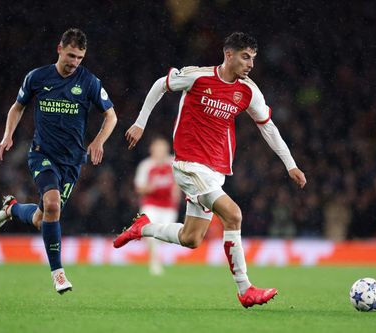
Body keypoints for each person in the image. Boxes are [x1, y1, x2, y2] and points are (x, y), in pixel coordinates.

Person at [114, 32, 306, 308]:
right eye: (245, 56)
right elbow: (160, 85)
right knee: (233, 214)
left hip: (216, 170)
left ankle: (143, 228)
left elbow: (268, 127)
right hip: (189, 165)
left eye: (253, 57)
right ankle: (245, 289)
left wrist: (291, 165)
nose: (251, 63)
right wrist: (140, 123)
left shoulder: (249, 91)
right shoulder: (198, 77)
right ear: (229, 55)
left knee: (191, 238)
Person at [0, 28, 117, 294]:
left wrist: (97, 142)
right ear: (59, 49)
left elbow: (112, 116)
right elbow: (18, 107)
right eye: (71, 55)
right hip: (42, 154)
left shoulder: (89, 82)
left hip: (71, 163)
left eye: (80, 58)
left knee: (42, 217)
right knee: (52, 205)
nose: (74, 62)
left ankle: (12, 208)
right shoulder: (37, 77)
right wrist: (7, 136)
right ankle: (58, 274)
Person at [134, 137, 180, 275]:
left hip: (168, 206)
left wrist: (177, 190)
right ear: (152, 150)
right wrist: (150, 188)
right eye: (157, 149)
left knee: (164, 236)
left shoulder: (174, 163)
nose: (160, 152)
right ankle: (154, 261)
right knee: (150, 232)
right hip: (151, 204)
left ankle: (157, 257)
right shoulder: (146, 165)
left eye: (163, 149)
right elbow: (139, 188)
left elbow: (182, 180)